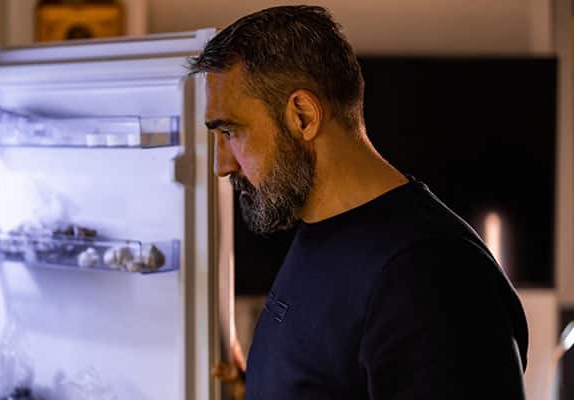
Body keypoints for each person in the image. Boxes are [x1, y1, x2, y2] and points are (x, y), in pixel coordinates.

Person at [189, 5, 529, 400]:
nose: (222, 165)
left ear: (302, 116)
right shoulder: (321, 230)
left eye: (230, 132)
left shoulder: (430, 275)